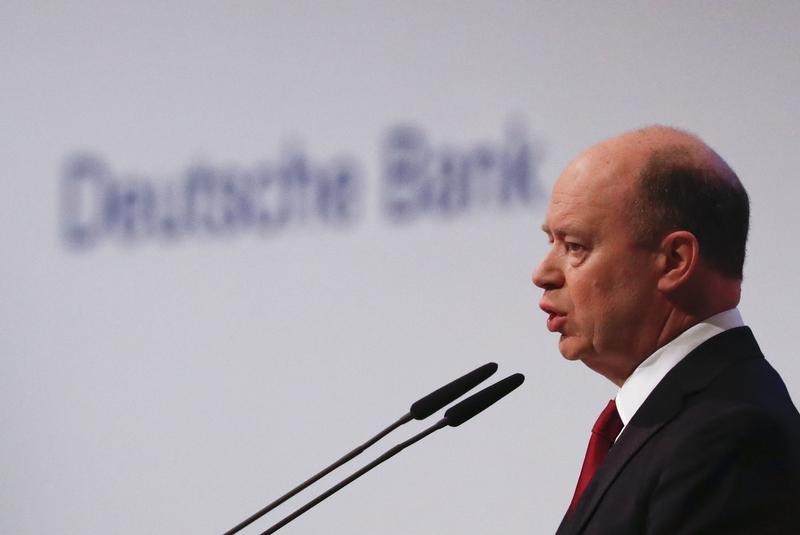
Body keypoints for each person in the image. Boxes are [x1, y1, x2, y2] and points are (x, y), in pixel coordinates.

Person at [532, 126, 800, 534]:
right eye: (551, 241)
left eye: (575, 246)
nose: (543, 273)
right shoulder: (674, 420)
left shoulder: (731, 437)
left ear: (675, 260)